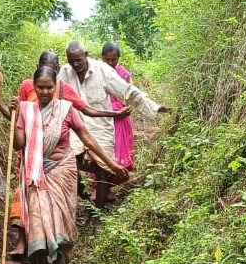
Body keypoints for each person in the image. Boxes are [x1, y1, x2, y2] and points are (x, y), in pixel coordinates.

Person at [0, 65, 127, 264]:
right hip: (36, 172)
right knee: (36, 219)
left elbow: (86, 137)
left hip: (63, 172)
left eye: (49, 87)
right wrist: (15, 115)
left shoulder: (66, 109)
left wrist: (111, 163)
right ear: (34, 88)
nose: (45, 92)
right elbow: (19, 144)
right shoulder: (27, 110)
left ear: (56, 87)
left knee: (63, 221)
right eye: (41, 87)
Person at [58, 41, 165, 216]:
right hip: (75, 129)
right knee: (70, 164)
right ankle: (86, 202)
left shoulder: (102, 70)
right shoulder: (64, 72)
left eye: (78, 60)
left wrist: (154, 107)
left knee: (103, 171)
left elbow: (128, 91)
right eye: (72, 61)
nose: (75, 65)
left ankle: (97, 213)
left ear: (86, 55)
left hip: (101, 129)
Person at [102, 42, 134, 170]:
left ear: (118, 58)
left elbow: (130, 95)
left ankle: (121, 171)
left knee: (120, 143)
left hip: (121, 115)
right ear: (102, 58)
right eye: (107, 59)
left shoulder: (124, 74)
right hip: (103, 114)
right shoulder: (97, 73)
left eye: (113, 59)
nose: (110, 62)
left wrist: (126, 107)